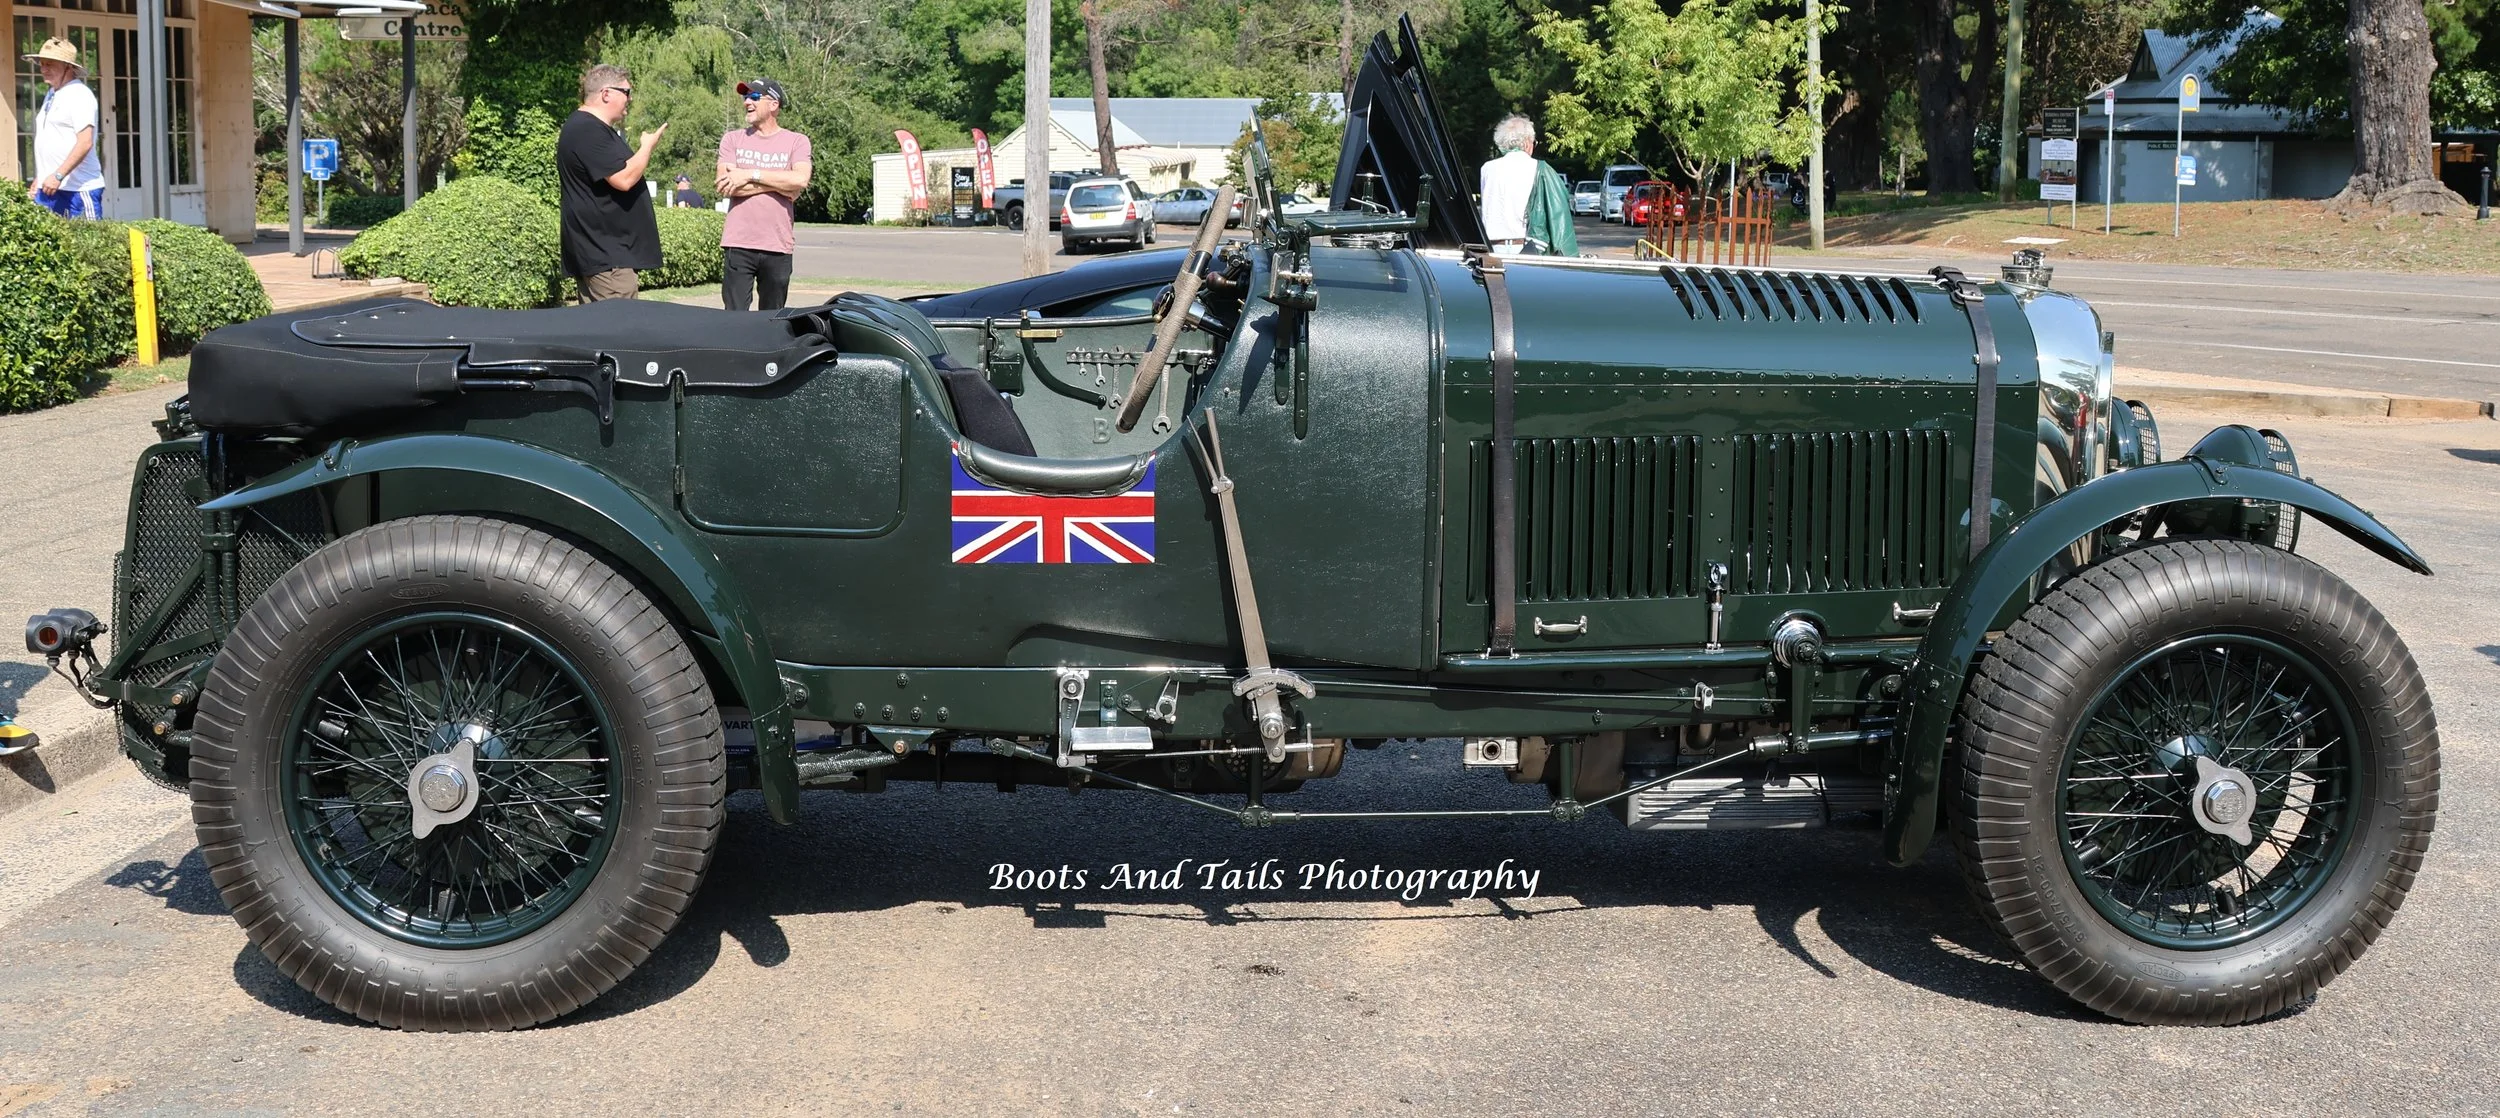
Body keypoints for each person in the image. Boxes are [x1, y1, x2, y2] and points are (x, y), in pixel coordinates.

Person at [556, 64, 665, 301]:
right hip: (607, 258)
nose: (630, 99)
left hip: (602, 255)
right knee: (621, 323)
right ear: (606, 94)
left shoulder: (586, 127)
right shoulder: (587, 129)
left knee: (601, 324)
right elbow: (624, 179)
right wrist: (647, 147)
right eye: (626, 92)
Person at [715, 78, 812, 311]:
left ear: (773, 104)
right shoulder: (732, 139)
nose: (747, 102)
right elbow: (725, 185)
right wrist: (781, 184)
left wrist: (749, 174)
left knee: (771, 318)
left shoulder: (797, 141)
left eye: (755, 97)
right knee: (734, 319)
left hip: (778, 245)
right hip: (738, 243)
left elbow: (800, 180)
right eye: (745, 97)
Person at [21, 37, 104, 220]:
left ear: (68, 67)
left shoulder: (80, 95)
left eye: (50, 64)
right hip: (49, 188)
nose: (44, 69)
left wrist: (58, 175)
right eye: (42, 64)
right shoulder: (52, 94)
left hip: (78, 190)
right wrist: (41, 177)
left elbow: (85, 142)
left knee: (86, 239)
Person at [1477, 114, 1577, 257]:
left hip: (1491, 247)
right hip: (1526, 246)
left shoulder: (1487, 169)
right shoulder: (1538, 168)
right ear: (1527, 142)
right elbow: (1559, 206)